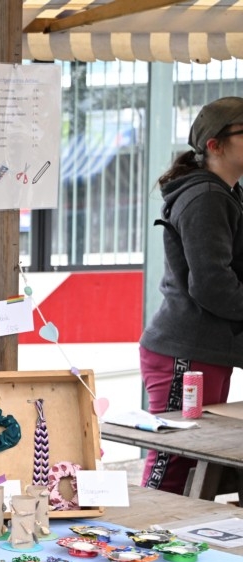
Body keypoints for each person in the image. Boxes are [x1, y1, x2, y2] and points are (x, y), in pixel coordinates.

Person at [139, 96, 243, 494]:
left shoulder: (225, 192)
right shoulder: (207, 198)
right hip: (186, 353)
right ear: (215, 145)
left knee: (196, 461)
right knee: (174, 461)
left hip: (205, 350)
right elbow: (212, 284)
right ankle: (145, 532)